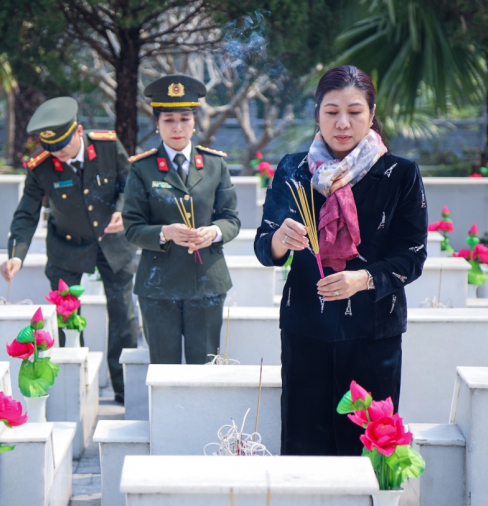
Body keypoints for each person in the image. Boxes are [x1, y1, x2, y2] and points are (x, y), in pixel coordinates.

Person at [254, 65, 428, 455]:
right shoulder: (293, 170)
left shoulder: (400, 174)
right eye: (332, 112)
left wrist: (362, 279)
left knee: (367, 447)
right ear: (317, 113)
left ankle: (371, 500)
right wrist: (281, 238)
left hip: (374, 332)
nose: (343, 123)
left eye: (354, 111)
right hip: (305, 329)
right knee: (305, 448)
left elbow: (412, 256)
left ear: (372, 112)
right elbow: (265, 247)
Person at [2, 96, 137, 404]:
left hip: (112, 242)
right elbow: (26, 213)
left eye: (63, 145)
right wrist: (16, 254)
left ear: (78, 131)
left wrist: (123, 210)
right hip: (67, 247)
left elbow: (128, 183)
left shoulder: (107, 146)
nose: (58, 153)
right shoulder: (40, 166)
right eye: (51, 148)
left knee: (122, 313)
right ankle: (74, 389)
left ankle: (124, 387)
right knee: (66, 318)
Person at [122, 74, 240, 364]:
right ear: (157, 124)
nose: (177, 127)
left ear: (194, 121)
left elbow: (231, 219)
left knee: (204, 368)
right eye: (169, 120)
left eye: (185, 119)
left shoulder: (214, 164)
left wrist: (213, 232)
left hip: (207, 282)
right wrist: (165, 232)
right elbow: (132, 227)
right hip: (158, 284)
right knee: (164, 370)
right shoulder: (142, 168)